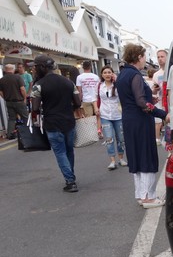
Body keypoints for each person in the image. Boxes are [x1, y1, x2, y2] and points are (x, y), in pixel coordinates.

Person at [115, 44, 167, 208]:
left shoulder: (123, 74)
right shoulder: (135, 75)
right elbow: (141, 102)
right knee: (146, 155)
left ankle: (140, 194)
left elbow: (132, 99)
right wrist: (162, 114)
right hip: (140, 120)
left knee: (136, 156)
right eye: (144, 56)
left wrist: (150, 99)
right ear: (138, 57)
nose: (146, 60)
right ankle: (148, 197)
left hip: (128, 120)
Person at [29, 55, 82, 192]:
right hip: (69, 122)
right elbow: (77, 102)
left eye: (35, 67)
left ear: (42, 67)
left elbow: (34, 108)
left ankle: (70, 182)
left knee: (60, 152)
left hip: (52, 124)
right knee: (69, 151)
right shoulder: (68, 82)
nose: (34, 69)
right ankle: (70, 178)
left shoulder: (38, 85)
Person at [97, 65, 127, 170]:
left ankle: (121, 158)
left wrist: (117, 80)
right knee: (109, 139)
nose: (107, 74)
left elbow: (125, 96)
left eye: (109, 72)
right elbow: (95, 99)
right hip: (105, 115)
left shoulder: (118, 85)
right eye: (105, 72)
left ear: (112, 74)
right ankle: (112, 161)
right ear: (102, 75)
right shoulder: (99, 86)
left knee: (121, 139)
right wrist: (96, 109)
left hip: (118, 115)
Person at [0, 63, 28, 139]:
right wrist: (24, 98)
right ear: (13, 69)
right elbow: (22, 89)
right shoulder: (18, 77)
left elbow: (1, 92)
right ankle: (27, 133)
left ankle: (10, 135)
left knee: (11, 118)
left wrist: (5, 98)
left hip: (9, 102)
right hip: (19, 101)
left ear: (5, 70)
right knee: (25, 117)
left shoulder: (2, 80)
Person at [76, 60, 102, 138]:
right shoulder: (95, 76)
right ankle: (99, 132)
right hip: (96, 99)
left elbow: (79, 91)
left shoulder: (79, 77)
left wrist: (80, 101)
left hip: (86, 100)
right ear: (90, 67)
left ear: (83, 67)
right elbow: (99, 89)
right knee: (98, 116)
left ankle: (92, 134)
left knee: (89, 117)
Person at [152, 49, 167, 144]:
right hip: (161, 103)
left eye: (162, 56)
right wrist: (154, 90)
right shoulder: (156, 74)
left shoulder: (172, 70)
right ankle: (170, 150)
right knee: (163, 125)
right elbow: (154, 91)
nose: (160, 59)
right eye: (158, 57)